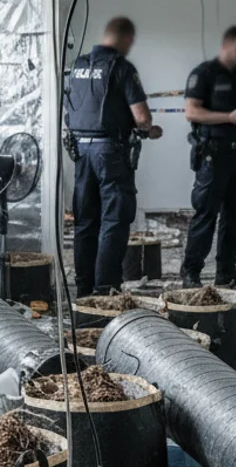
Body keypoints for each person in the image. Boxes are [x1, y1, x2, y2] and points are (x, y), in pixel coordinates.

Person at [64, 17, 163, 297]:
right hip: (111, 154)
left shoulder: (78, 66)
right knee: (114, 220)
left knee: (85, 222)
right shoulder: (121, 67)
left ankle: (83, 289)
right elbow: (142, 118)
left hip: (81, 153)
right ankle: (105, 288)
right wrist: (149, 129)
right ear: (126, 39)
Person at [180, 26, 236, 288]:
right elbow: (191, 112)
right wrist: (227, 117)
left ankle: (226, 272)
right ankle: (191, 272)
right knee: (206, 214)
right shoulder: (204, 74)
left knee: (235, 216)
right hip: (213, 154)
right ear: (227, 44)